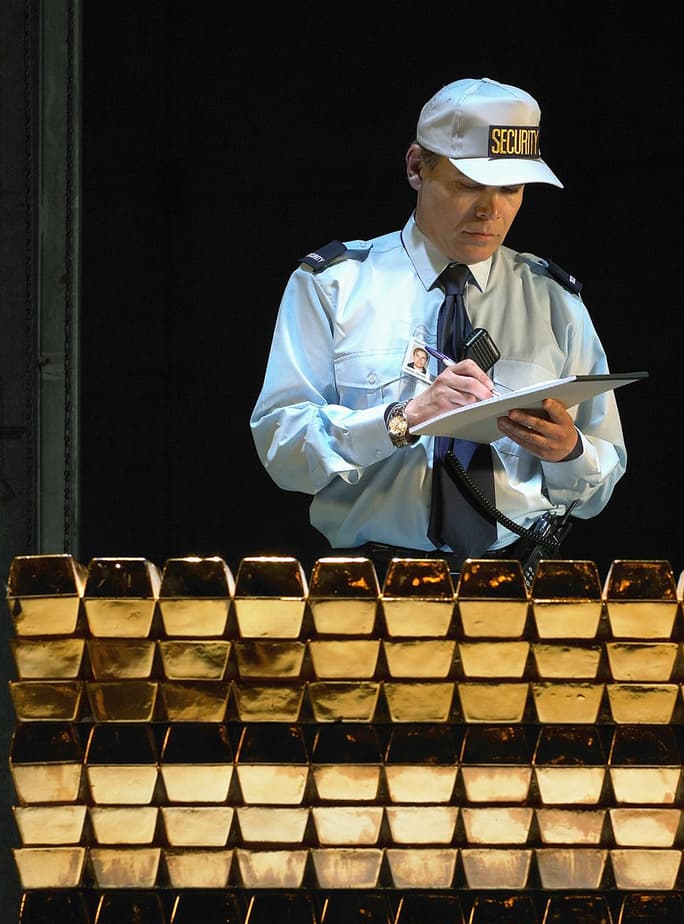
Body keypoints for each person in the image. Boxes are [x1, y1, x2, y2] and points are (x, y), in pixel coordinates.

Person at [250, 76, 628, 561]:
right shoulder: (333, 287)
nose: (490, 210)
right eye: (467, 185)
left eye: (510, 188)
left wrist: (569, 452)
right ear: (416, 168)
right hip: (371, 585)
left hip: (514, 581)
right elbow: (283, 453)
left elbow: (602, 479)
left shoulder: (554, 300)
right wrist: (400, 420)